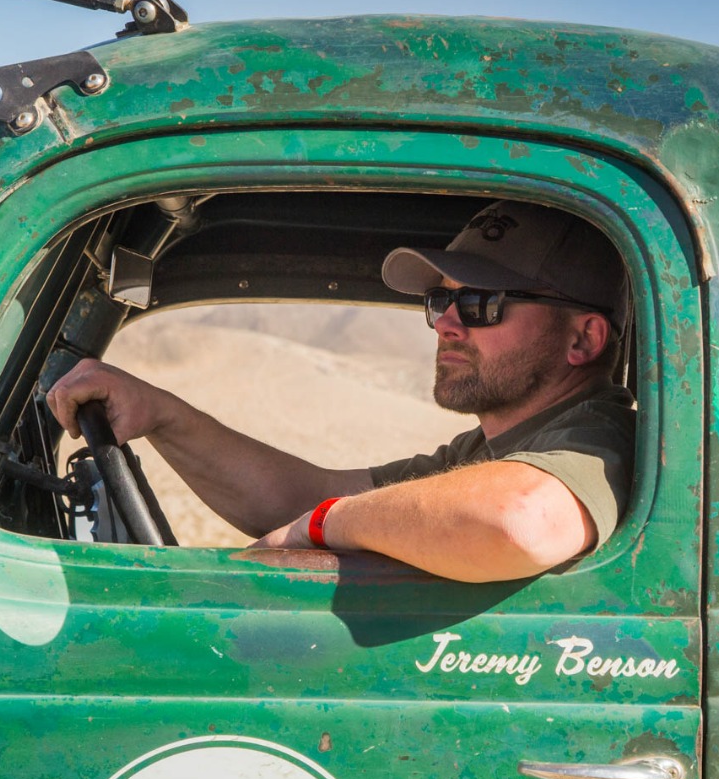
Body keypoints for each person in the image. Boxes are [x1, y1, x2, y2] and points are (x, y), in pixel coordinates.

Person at [45, 201, 634, 583]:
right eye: (440, 301)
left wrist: (320, 526)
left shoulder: (596, 439)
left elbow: (519, 520)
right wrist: (162, 415)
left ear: (583, 338)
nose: (448, 322)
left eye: (481, 303)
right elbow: (307, 494)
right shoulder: (485, 451)